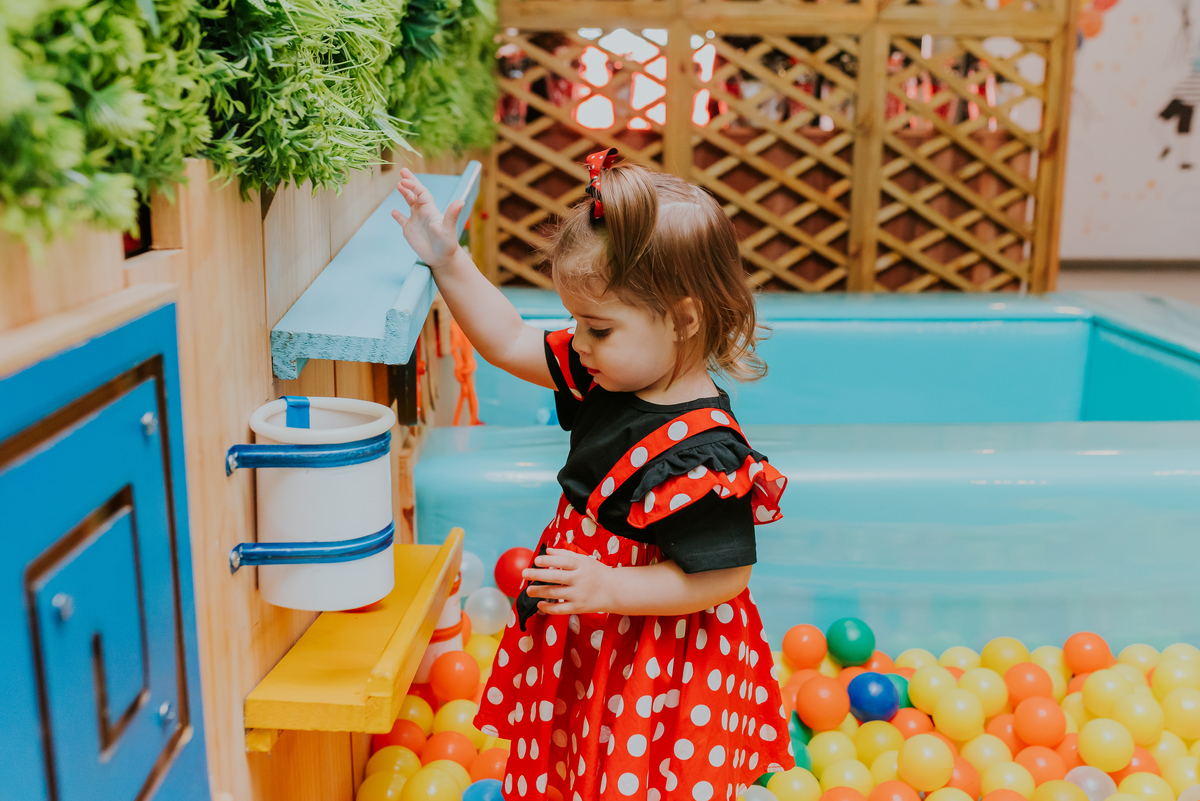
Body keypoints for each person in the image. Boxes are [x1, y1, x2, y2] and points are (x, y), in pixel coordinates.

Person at [392, 148, 793, 799]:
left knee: (640, 778)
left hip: (657, 665)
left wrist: (610, 584)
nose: (578, 340)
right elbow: (510, 340)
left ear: (684, 318)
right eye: (577, 321)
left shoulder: (704, 451)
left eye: (598, 327)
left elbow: (723, 577)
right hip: (596, 634)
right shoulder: (607, 370)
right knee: (583, 762)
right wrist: (448, 259)